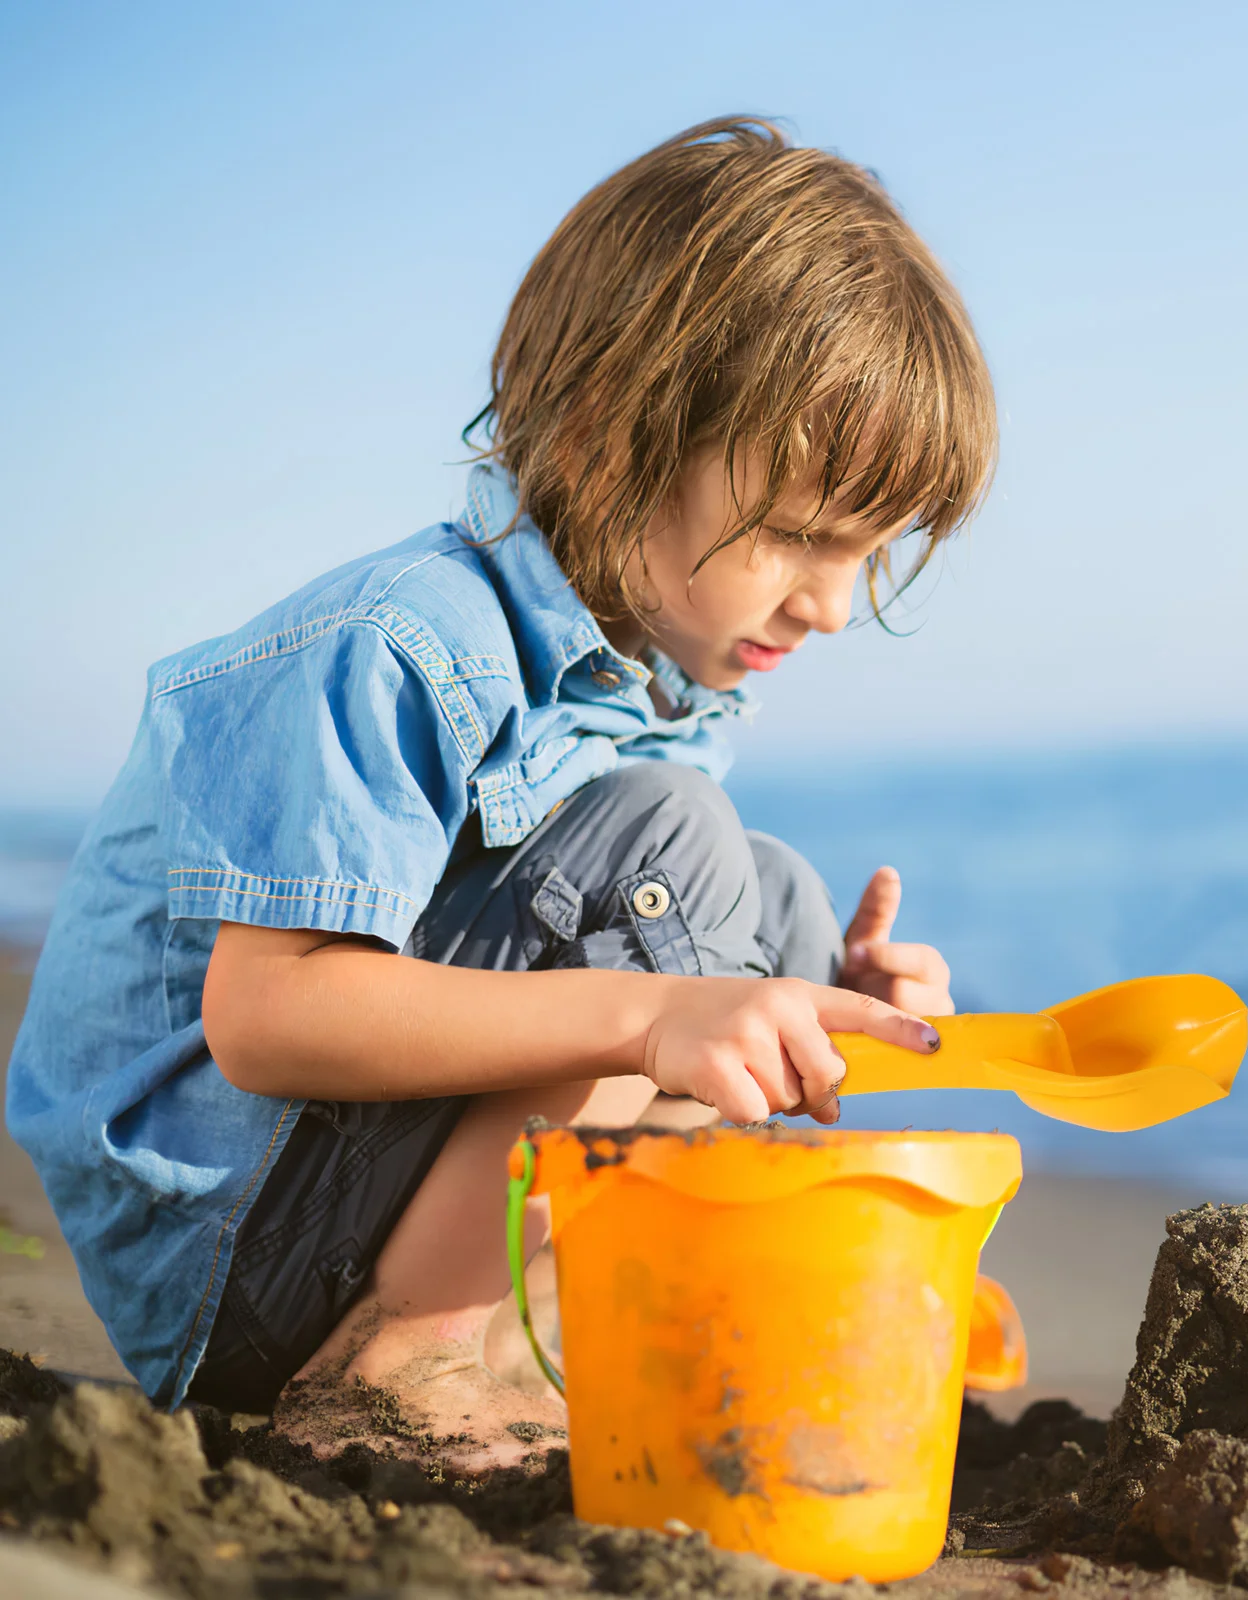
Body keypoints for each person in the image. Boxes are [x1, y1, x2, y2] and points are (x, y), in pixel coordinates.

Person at [6, 116, 997, 1468]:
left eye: (871, 555)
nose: (833, 603)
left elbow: (635, 952)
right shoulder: (402, 643)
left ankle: (537, 1333)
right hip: (228, 1245)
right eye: (799, 537)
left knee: (770, 901)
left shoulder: (645, 683)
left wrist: (819, 997)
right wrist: (655, 1008)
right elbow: (267, 1015)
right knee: (674, 863)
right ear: (611, 434)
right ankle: (410, 1355)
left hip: (344, 1200)